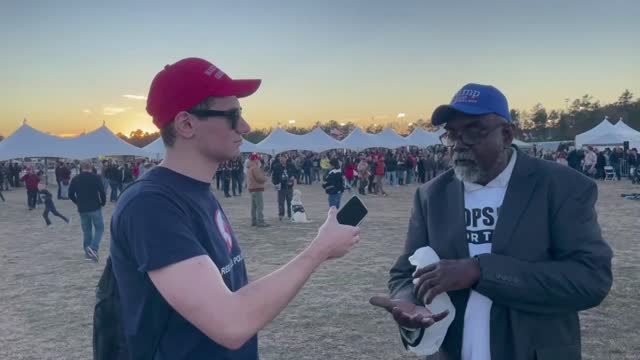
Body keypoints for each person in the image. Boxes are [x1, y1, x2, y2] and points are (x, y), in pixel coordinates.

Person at [109, 57, 359, 359]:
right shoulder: (150, 205)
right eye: (232, 115)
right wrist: (319, 250)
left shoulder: (195, 191)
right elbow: (231, 321)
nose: (245, 126)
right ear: (186, 124)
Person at [370, 83, 612, 359]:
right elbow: (405, 272)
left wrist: (481, 272)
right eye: (452, 134)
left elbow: (591, 280)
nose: (459, 143)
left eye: (473, 131)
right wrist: (407, 300)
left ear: (507, 134)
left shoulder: (561, 187)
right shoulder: (432, 195)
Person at [68, 161, 107, 262]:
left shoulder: (76, 178)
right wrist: (103, 202)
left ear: (81, 167)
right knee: (100, 228)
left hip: (82, 208)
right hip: (95, 207)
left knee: (87, 231)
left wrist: (77, 202)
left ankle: (88, 253)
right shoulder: (96, 178)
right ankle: (93, 248)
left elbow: (70, 194)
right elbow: (102, 191)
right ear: (91, 167)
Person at [246, 153, 269, 227]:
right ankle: (260, 221)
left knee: (254, 207)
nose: (258, 160)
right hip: (257, 188)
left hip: (252, 189)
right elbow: (259, 178)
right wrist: (265, 178)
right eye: (258, 159)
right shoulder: (255, 168)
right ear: (255, 159)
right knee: (260, 206)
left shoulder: (249, 167)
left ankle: (254, 220)